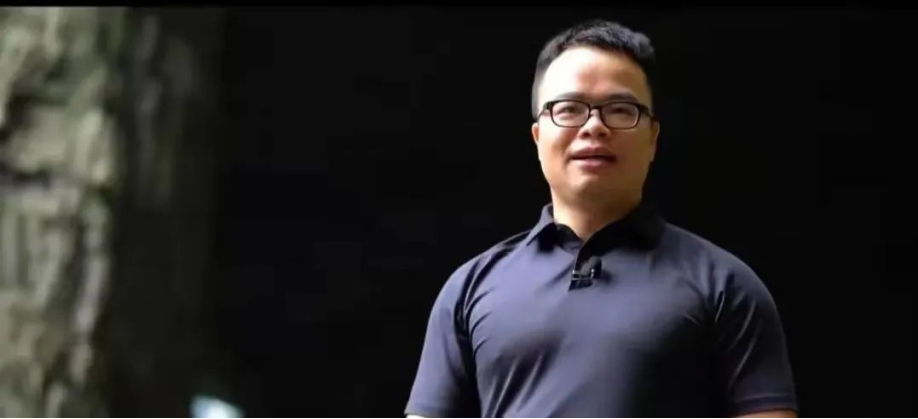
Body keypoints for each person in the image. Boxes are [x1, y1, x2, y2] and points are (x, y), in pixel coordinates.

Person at [405, 19, 798, 418]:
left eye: (621, 110)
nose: (594, 126)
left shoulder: (726, 285)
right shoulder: (469, 288)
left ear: (653, 139)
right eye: (569, 109)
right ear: (538, 137)